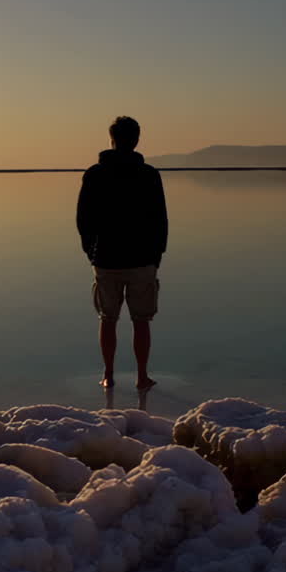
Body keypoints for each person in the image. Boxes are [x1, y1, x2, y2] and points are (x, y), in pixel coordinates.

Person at [76, 116, 168, 391]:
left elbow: (84, 219)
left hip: (106, 258)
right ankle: (141, 376)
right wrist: (156, 255)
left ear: (111, 139)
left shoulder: (95, 173)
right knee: (141, 320)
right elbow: (160, 219)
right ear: (137, 140)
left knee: (108, 319)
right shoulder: (149, 174)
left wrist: (91, 251)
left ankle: (109, 374)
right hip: (141, 260)